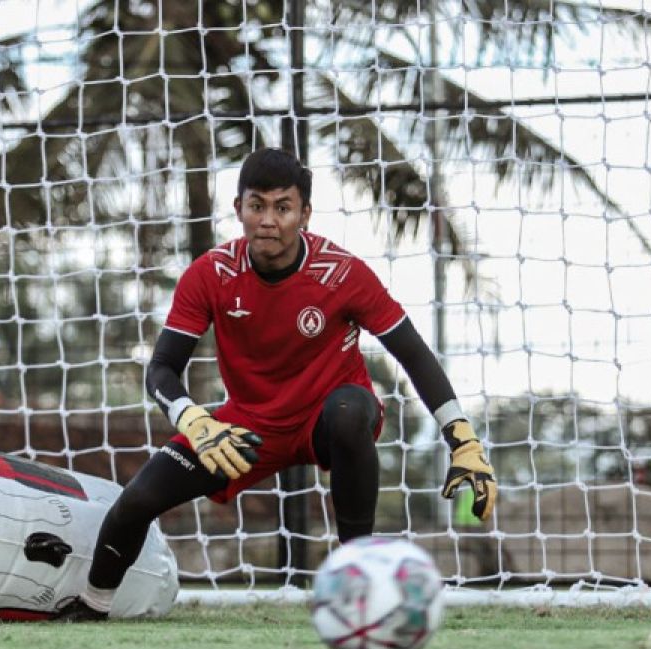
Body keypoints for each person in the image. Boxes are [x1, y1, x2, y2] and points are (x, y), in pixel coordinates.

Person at [50, 148, 496, 621]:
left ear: (304, 213)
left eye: (282, 207)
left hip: (326, 415)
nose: (268, 220)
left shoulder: (343, 274)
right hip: (244, 429)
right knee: (137, 500)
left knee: (349, 412)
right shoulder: (211, 273)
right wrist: (195, 420)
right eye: (257, 205)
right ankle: (92, 606)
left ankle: (360, 579)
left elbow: (413, 354)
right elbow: (160, 369)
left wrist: (461, 438)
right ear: (238, 208)